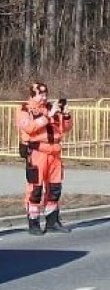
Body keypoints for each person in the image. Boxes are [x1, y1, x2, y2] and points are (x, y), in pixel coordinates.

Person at [15, 81, 73, 234]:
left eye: (45, 94)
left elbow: (64, 129)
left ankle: (52, 221)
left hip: (54, 154)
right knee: (35, 189)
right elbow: (29, 128)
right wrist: (48, 116)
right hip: (37, 153)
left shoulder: (50, 109)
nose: (44, 98)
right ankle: (33, 223)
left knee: (55, 188)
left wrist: (66, 115)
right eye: (41, 95)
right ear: (32, 95)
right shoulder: (25, 109)